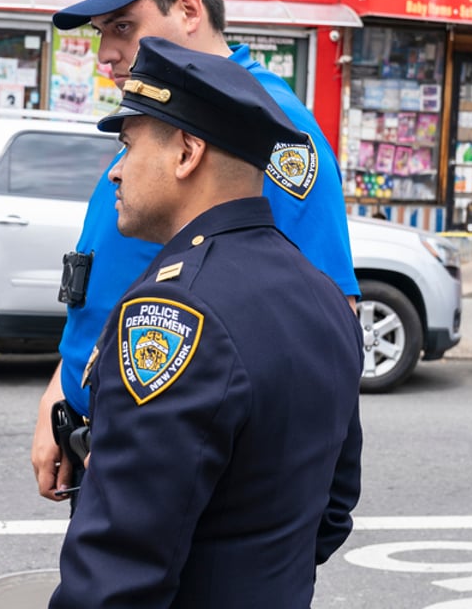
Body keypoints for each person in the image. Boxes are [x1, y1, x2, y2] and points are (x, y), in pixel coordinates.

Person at [33, 0, 359, 532]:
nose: (106, 54)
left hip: (178, 454)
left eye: (123, 27)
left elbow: (326, 320)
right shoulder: (160, 116)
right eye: (101, 33)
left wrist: (286, 522)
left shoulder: (267, 127)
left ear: (188, 10)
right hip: (111, 431)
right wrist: (63, 390)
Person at [49, 37, 364, 607]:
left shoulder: (173, 312)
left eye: (128, 146)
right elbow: (334, 509)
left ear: (187, 153)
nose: (116, 173)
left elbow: (117, 572)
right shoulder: (321, 294)